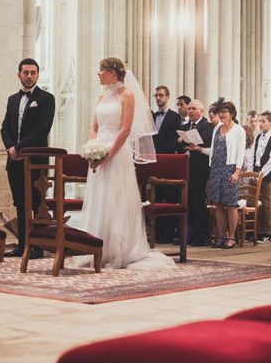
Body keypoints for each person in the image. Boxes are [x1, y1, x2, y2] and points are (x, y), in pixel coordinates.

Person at [72, 58, 175, 269]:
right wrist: (93, 148)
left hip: (117, 153)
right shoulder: (101, 97)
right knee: (99, 199)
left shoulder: (127, 95)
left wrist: (108, 154)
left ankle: (118, 249)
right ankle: (95, 247)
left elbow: (126, 129)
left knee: (115, 199)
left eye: (102, 70)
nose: (98, 74)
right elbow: (94, 126)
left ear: (113, 72)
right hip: (99, 151)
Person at [0, 58, 55, 258]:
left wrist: (19, 147)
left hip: (36, 161)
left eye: (33, 73)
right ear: (19, 74)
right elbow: (5, 127)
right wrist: (10, 149)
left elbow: (42, 129)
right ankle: (22, 245)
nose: (29, 76)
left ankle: (37, 247)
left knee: (36, 203)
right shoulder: (13, 99)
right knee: (20, 204)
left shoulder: (47, 98)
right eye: (26, 72)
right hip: (14, 160)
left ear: (38, 75)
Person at [195, 100, 245, 249]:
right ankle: (221, 236)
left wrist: (237, 171)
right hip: (216, 168)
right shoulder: (217, 128)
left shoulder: (238, 130)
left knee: (231, 204)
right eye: (220, 112)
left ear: (232, 114)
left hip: (230, 169)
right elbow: (214, 149)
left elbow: (240, 152)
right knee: (217, 204)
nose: (221, 114)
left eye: (224, 112)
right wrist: (200, 150)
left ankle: (231, 237)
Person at [177, 99, 213, 246]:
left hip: (200, 169)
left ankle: (201, 235)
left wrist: (185, 142)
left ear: (201, 111)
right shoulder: (185, 126)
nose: (190, 111)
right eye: (189, 108)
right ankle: (189, 234)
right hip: (186, 167)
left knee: (198, 202)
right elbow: (176, 143)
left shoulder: (207, 126)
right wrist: (184, 143)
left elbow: (203, 142)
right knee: (188, 202)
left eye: (193, 109)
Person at [253, 111, 271, 242]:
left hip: (267, 174)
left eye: (263, 121)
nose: (260, 123)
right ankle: (256, 229)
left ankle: (266, 232)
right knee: (255, 202)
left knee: (266, 202)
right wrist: (253, 172)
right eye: (259, 121)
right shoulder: (258, 137)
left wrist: (262, 173)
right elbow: (255, 156)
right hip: (257, 171)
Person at [152, 85, 181, 154]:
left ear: (168, 97)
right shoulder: (153, 116)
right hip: (152, 155)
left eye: (161, 95)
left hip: (167, 155)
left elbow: (173, 139)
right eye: (156, 96)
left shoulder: (175, 117)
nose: (158, 98)